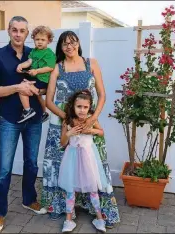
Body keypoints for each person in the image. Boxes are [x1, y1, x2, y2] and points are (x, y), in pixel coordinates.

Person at [41, 31, 120, 227]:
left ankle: (97, 210)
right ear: (60, 47)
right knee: (60, 165)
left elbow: (102, 95)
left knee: (93, 165)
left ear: (78, 43)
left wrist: (92, 119)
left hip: (88, 124)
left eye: (72, 42)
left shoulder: (91, 63)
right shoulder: (57, 68)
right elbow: (49, 101)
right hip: (62, 124)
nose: (69, 46)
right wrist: (68, 119)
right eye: (65, 44)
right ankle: (61, 208)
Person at [0, 16, 47, 233]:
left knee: (31, 163)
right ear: (8, 31)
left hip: (34, 119)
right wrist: (17, 88)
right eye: (15, 30)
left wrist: (33, 89)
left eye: (23, 31)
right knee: (4, 169)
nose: (18, 34)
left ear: (27, 33)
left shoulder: (37, 54)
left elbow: (44, 86)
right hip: (10, 120)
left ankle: (29, 200)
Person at [59, 90, 109, 233]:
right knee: (70, 189)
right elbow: (63, 143)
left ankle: (99, 218)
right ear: (73, 106)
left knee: (92, 188)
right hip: (72, 158)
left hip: (88, 157)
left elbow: (101, 132)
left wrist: (91, 130)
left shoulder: (91, 119)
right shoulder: (67, 121)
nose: (82, 110)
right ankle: (68, 220)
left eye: (85, 107)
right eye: (79, 106)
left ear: (89, 107)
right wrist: (69, 133)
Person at [16, 25, 56, 123]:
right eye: (37, 39)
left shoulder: (48, 53)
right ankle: (44, 113)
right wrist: (21, 65)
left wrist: (37, 71)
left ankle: (27, 110)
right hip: (37, 78)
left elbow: (50, 67)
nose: (39, 42)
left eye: (43, 39)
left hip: (44, 80)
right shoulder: (34, 51)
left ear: (49, 41)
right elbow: (29, 62)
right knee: (38, 96)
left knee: (22, 88)